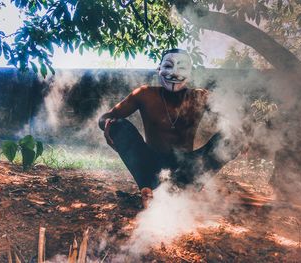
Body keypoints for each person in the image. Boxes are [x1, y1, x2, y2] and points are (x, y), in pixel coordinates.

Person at [99, 49, 238, 207]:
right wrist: (108, 126)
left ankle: (190, 187)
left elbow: (232, 122)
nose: (174, 73)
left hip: (189, 169)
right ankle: (147, 188)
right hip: (150, 166)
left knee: (236, 135)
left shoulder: (201, 97)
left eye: (182, 68)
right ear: (159, 70)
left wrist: (239, 135)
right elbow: (103, 118)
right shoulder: (144, 94)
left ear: (190, 73)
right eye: (168, 66)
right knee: (118, 125)